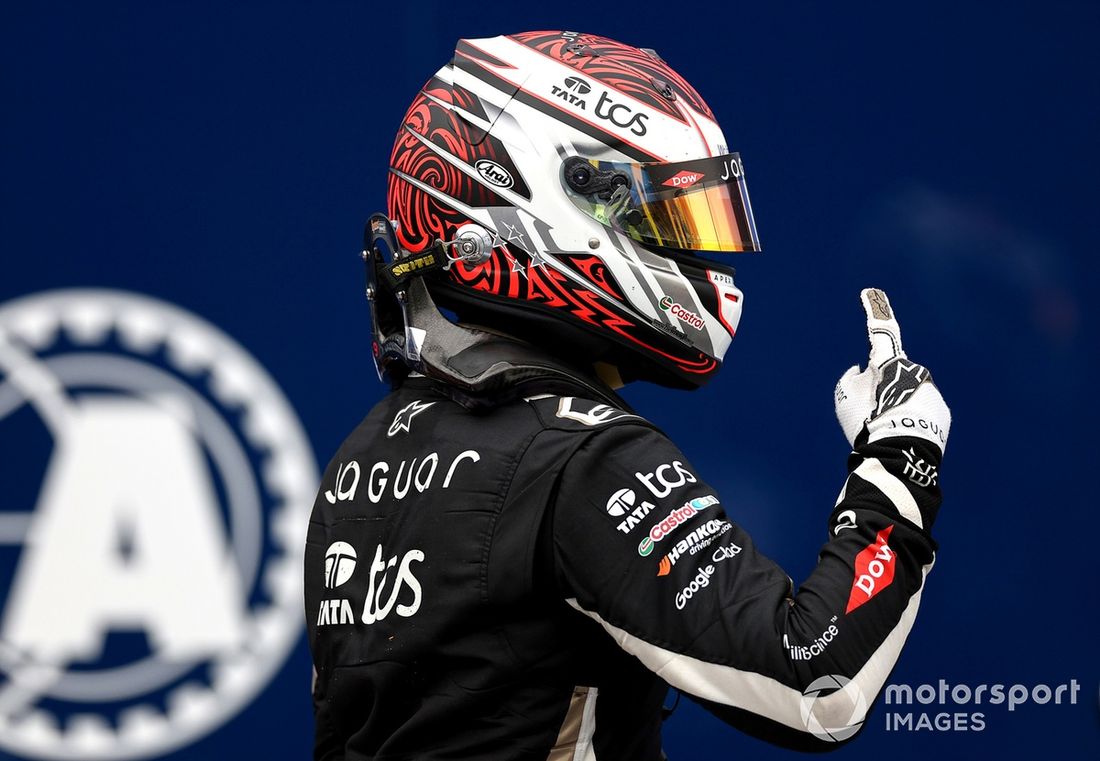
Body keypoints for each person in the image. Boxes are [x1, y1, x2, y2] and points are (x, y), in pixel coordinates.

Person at [304, 30, 951, 760]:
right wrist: (901, 457)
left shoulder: (363, 452)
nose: (692, 250)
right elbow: (817, 684)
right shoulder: (581, 453)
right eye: (663, 219)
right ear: (541, 201)